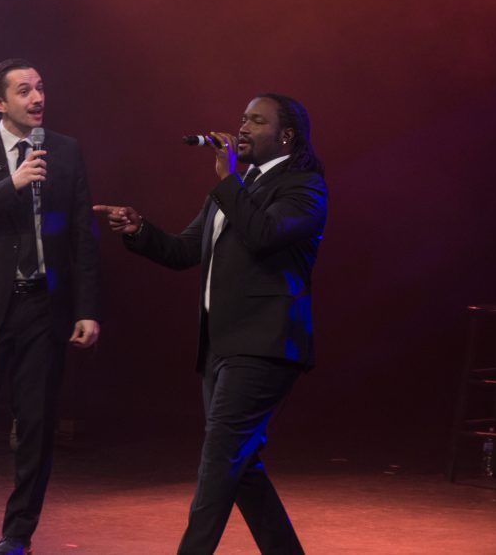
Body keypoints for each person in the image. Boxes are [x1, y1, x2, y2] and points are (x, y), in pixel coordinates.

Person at [94, 93, 327, 554]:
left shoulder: (304, 187)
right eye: (242, 118)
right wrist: (140, 230)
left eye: (256, 121)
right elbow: (184, 250)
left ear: (285, 136)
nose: (242, 128)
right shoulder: (235, 189)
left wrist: (228, 180)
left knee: (221, 459)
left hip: (265, 345)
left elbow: (263, 235)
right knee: (239, 465)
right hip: (221, 345)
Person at [0, 59, 102, 555]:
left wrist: (87, 308)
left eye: (41, 87)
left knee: (36, 426)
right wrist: (11, 184)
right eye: (24, 90)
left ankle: (18, 535)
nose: (37, 98)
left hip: (43, 308)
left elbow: (82, 235)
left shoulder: (66, 151)